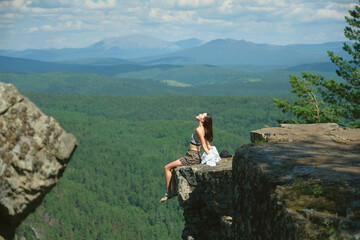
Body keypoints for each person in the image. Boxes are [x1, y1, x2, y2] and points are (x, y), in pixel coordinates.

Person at [160, 113, 213, 202]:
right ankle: (173, 191)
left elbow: (204, 145)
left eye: (202, 115)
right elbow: (208, 144)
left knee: (167, 167)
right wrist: (211, 152)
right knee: (172, 169)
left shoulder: (199, 130)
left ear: (202, 120)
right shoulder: (204, 129)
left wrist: (209, 155)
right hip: (193, 155)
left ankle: (168, 193)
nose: (199, 114)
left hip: (191, 156)